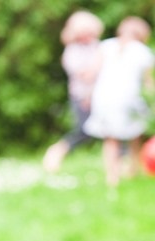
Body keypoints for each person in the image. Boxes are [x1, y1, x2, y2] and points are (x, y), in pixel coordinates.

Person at [83, 16, 155, 188]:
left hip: (104, 98)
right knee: (135, 134)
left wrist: (87, 95)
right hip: (129, 98)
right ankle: (132, 170)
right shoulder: (143, 51)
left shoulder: (105, 45)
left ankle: (112, 178)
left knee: (110, 139)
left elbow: (92, 73)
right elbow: (148, 83)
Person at [42, 10, 104, 173]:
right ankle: (57, 152)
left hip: (99, 95)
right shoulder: (72, 51)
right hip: (81, 97)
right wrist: (98, 65)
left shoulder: (96, 46)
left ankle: (121, 165)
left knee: (112, 129)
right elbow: (85, 75)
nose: (90, 36)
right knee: (83, 131)